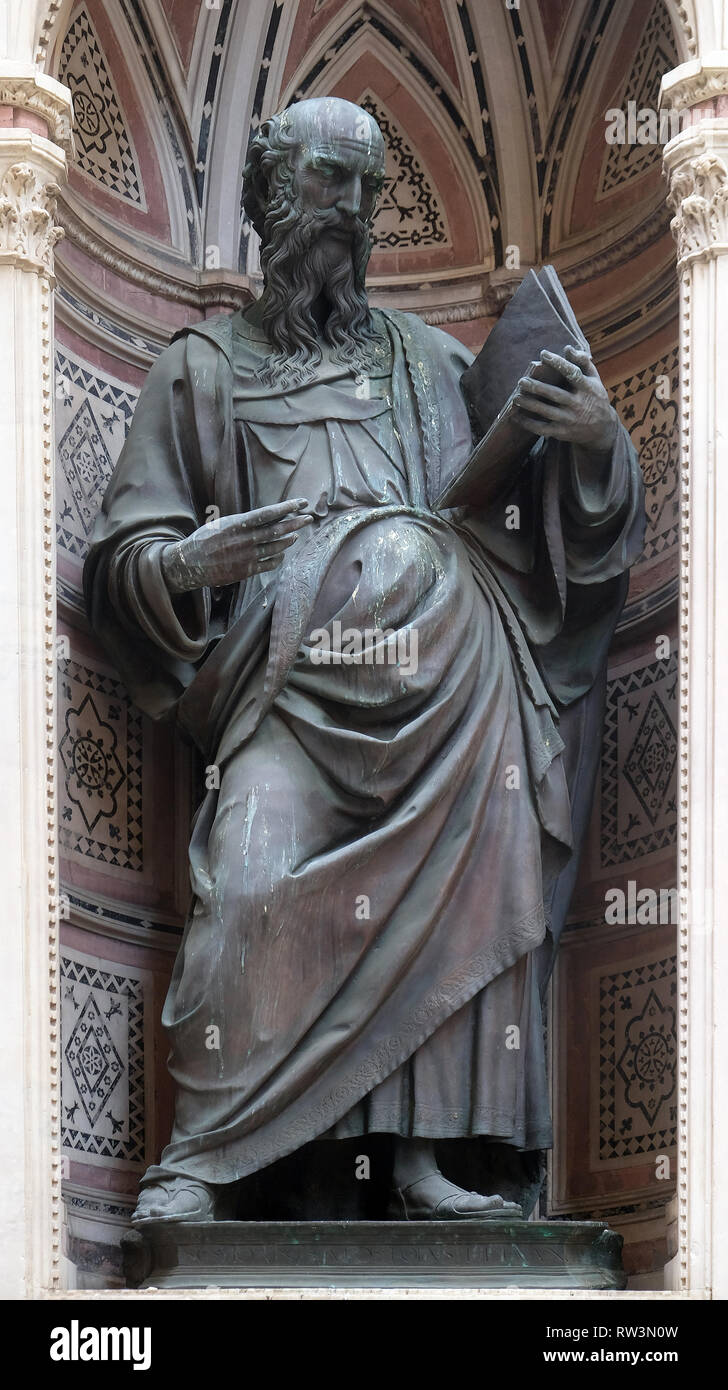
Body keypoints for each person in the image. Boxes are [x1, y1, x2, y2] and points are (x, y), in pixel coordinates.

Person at [84, 97, 645, 1224]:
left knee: (463, 873)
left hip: (450, 692)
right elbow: (119, 564)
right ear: (265, 202)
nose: (343, 207)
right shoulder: (199, 371)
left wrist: (592, 443)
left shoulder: (430, 362)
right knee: (247, 879)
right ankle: (208, 1154)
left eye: (360, 186)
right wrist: (191, 565)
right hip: (286, 699)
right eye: (320, 182)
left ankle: (420, 1160)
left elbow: (547, 544)